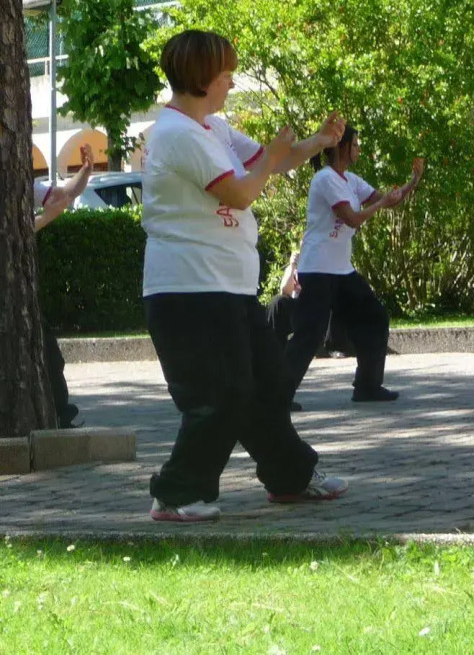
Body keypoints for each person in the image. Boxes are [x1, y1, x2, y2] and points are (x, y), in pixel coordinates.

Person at [143, 29, 349, 522]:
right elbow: (239, 193)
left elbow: (268, 164)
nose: (232, 82)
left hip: (227, 286)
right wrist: (272, 162)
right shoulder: (175, 133)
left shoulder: (214, 128)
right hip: (188, 288)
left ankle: (290, 479)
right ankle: (175, 494)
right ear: (202, 78)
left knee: (268, 384)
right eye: (226, 74)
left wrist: (318, 142)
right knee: (221, 394)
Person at [286, 127, 423, 404]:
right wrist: (381, 203)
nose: (359, 149)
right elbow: (352, 218)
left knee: (374, 318)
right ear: (342, 146)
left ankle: (367, 386)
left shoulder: (350, 180)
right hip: (318, 270)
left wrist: (413, 180)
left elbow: (389, 201)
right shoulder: (325, 179)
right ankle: (276, 396)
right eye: (356, 145)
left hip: (342, 270)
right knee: (309, 336)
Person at [33, 144, 95, 429]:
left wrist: (85, 172)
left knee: (49, 355)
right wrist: (43, 220)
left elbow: (64, 196)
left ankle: (60, 414)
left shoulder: (16, 179)